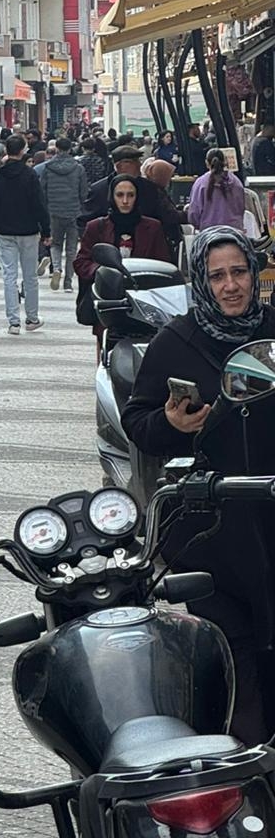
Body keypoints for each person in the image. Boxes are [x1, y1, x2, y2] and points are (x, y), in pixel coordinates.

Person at [122, 227, 275, 743]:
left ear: (255, 274)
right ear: (200, 283)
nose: (231, 286)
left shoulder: (273, 327)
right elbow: (138, 422)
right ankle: (247, 770)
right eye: (217, 276)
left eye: (239, 272)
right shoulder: (176, 341)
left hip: (272, 509)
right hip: (214, 531)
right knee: (238, 653)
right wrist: (173, 425)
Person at [74, 174, 173, 327]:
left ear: (137, 197)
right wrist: (102, 273)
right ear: (112, 196)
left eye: (130, 195)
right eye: (120, 195)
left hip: (143, 301)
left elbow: (163, 263)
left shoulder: (153, 227)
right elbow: (81, 261)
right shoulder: (96, 227)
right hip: (109, 300)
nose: (125, 201)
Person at [0, 134, 48, 335]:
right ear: (22, 150)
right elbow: (39, 204)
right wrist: (46, 230)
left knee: (9, 276)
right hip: (28, 231)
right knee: (30, 276)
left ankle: (13, 322)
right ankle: (32, 317)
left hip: (5, 232)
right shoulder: (29, 175)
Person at [82, 142, 184, 256]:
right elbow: (85, 222)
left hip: (145, 252)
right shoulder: (99, 190)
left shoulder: (150, 189)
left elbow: (165, 217)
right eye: (134, 162)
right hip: (107, 253)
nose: (139, 165)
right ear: (119, 165)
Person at [36, 137, 87, 294]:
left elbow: (42, 190)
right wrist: (79, 204)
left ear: (56, 148)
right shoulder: (78, 168)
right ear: (70, 149)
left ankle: (56, 267)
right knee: (71, 249)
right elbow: (84, 192)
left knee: (55, 244)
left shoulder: (48, 168)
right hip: (73, 211)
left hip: (54, 210)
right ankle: (68, 283)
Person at [189, 149, 247, 233]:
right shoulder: (236, 182)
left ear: (207, 163)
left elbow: (193, 214)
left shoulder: (200, 183)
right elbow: (241, 209)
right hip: (234, 232)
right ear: (224, 161)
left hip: (208, 234)